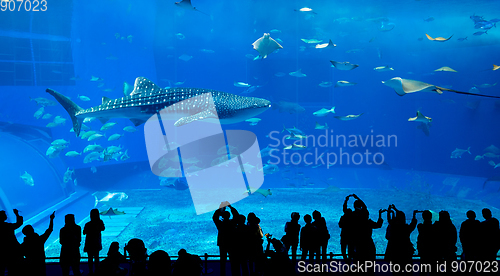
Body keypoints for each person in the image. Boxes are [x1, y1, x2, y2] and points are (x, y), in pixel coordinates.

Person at [384, 205, 417, 274]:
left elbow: (389, 220)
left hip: (394, 252)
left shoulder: (393, 227)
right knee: (408, 270)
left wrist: (390, 211)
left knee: (396, 272)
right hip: (406, 251)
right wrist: (414, 215)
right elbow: (413, 224)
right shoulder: (406, 228)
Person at [21, 211, 55, 276]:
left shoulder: (25, 242)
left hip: (29, 263)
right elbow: (50, 230)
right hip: (40, 262)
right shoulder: (39, 239)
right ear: (32, 230)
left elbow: (21, 252)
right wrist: (51, 219)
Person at [212, 201, 237, 276]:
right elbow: (236, 216)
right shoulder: (232, 223)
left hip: (222, 243)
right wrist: (230, 207)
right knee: (233, 261)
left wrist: (221, 208)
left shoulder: (220, 224)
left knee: (223, 260)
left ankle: (222, 275)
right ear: (229, 216)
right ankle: (235, 274)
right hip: (231, 243)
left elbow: (215, 217)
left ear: (222, 216)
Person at [0, 209, 23, 276]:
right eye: (5, 215)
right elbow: (19, 223)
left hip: (2, 252)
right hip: (12, 251)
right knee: (12, 270)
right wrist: (17, 214)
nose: (6, 216)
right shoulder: (8, 226)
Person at [83, 208, 105, 275]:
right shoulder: (100, 222)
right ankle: (96, 270)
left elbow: (84, 232)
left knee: (90, 258)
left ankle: (90, 271)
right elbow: (103, 228)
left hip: (89, 243)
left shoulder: (88, 224)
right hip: (96, 242)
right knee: (96, 257)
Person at [416, 210, 436, 275]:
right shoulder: (434, 227)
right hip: (433, 252)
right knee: (433, 271)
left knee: (423, 271)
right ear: (431, 217)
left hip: (423, 252)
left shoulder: (420, 227)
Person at [339, 195, 354, 261]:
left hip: (344, 235)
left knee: (343, 249)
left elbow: (340, 225)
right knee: (350, 249)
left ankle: (346, 260)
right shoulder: (353, 217)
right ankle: (350, 260)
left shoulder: (344, 217)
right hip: (351, 236)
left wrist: (346, 200)